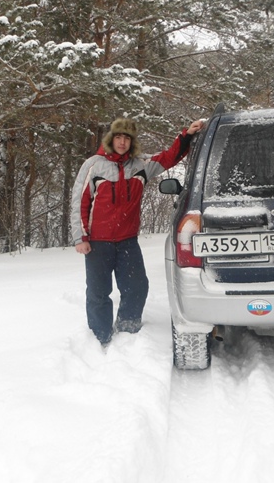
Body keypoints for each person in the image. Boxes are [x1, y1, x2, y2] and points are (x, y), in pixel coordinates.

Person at [70, 117, 205, 346]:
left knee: (137, 287)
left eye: (127, 138)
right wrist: (80, 237)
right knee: (98, 292)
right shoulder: (94, 164)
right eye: (119, 137)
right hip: (97, 242)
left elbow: (169, 157)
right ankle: (99, 337)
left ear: (132, 143)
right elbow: (79, 202)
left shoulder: (141, 165)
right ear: (111, 139)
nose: (122, 142)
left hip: (127, 242)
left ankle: (128, 330)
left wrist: (187, 135)